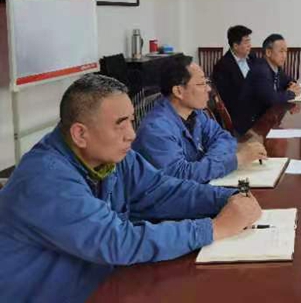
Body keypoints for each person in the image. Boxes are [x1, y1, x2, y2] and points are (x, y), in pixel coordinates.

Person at [0, 74, 262, 303]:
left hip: (105, 284)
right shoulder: (45, 180)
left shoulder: (112, 157)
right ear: (80, 134)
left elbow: (164, 191)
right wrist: (214, 229)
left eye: (132, 120)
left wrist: (228, 197)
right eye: (120, 124)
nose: (132, 134)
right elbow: (117, 241)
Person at [133, 57, 267, 183]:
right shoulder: (156, 129)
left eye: (207, 82)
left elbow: (222, 137)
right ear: (178, 91)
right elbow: (180, 176)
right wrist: (237, 159)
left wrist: (211, 164)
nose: (208, 89)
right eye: (201, 83)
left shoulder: (196, 114)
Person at [236, 34, 301, 133]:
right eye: (281, 51)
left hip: (266, 120)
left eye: (286, 51)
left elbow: (289, 80)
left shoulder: (275, 67)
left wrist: (292, 85)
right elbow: (272, 99)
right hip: (251, 127)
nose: (284, 56)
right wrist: (291, 93)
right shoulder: (261, 70)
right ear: (268, 52)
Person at [211, 25, 259, 124]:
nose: (250, 45)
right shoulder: (222, 66)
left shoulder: (252, 57)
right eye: (246, 42)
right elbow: (227, 100)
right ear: (235, 46)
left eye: (249, 41)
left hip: (257, 107)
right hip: (241, 116)